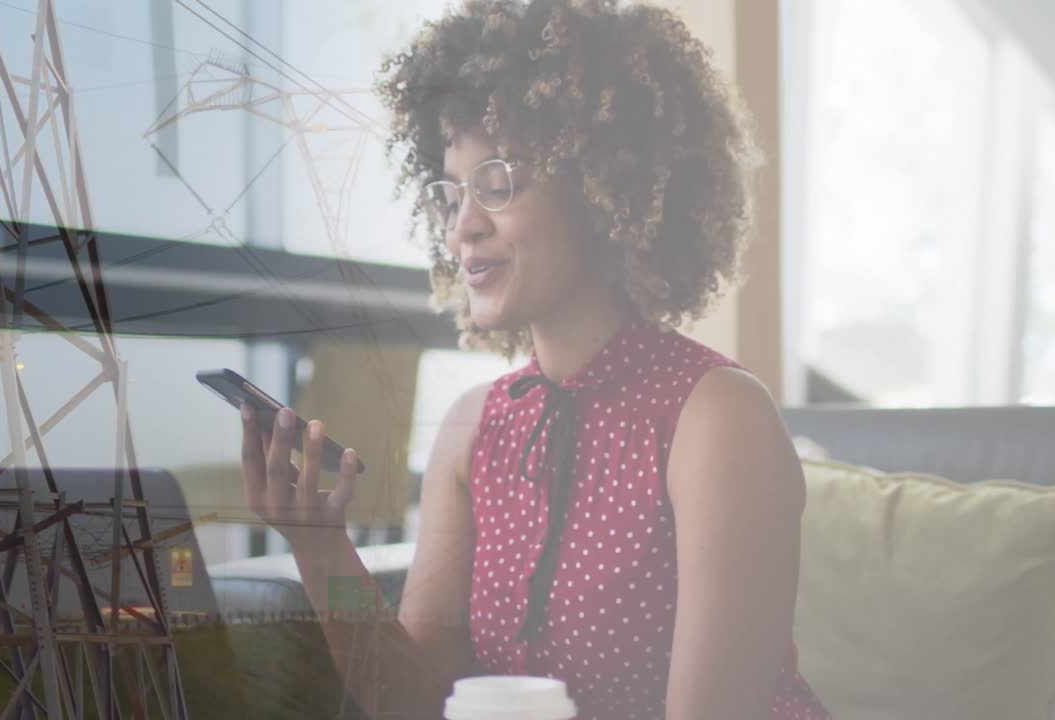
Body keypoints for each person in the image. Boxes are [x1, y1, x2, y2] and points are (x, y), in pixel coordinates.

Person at [238, 1, 832, 718]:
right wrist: (320, 550)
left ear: (600, 185)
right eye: (450, 196)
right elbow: (416, 703)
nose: (463, 228)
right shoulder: (473, 430)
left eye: (496, 185)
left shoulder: (714, 417)